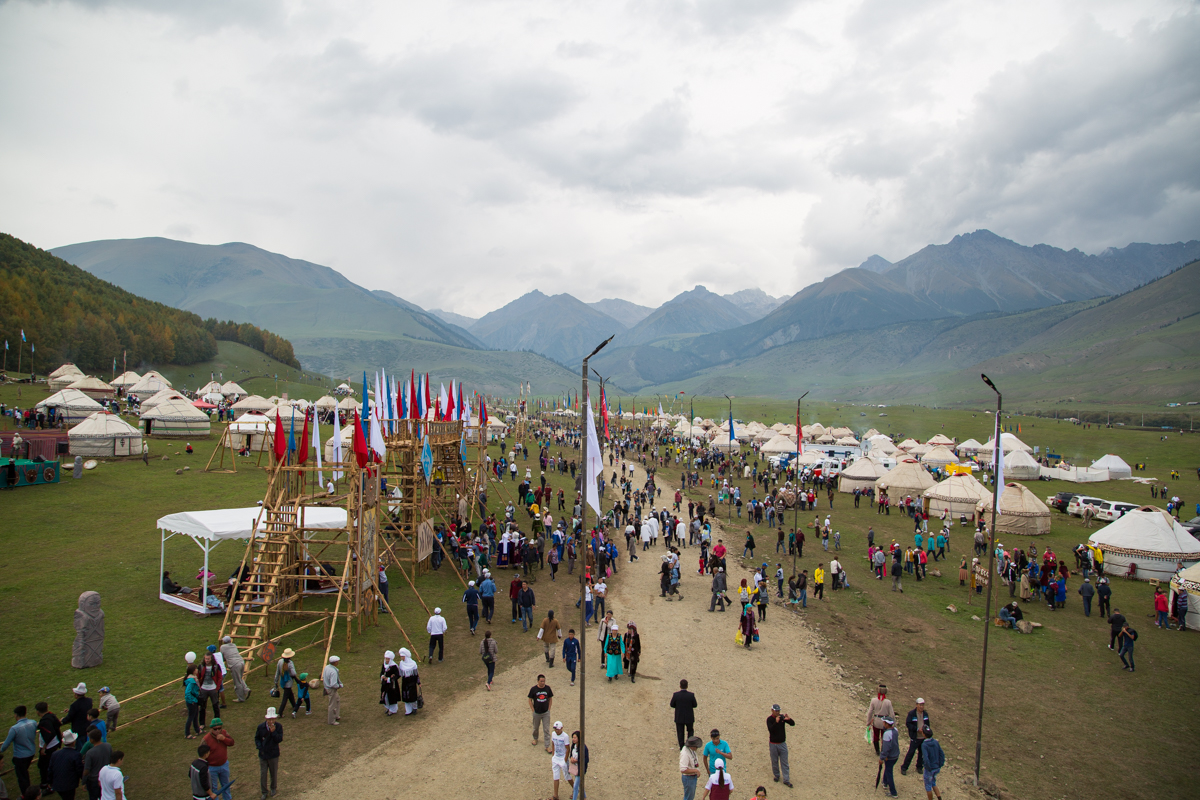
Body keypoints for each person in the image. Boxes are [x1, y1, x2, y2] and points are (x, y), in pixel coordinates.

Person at [2, 706, 38, 795]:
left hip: (20, 756)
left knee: (22, 778)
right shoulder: (33, 723)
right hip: (31, 752)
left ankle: (27, 795)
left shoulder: (14, 729)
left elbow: (5, 744)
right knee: (24, 773)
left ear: (16, 715)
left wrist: (1, 750)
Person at [254, 708, 283, 799]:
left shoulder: (278, 727)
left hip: (273, 753)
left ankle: (273, 788)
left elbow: (279, 739)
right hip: (263, 754)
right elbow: (257, 738)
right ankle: (264, 791)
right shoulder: (261, 727)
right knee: (263, 773)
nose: (271, 721)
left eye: (272, 719)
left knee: (273, 772)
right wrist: (259, 747)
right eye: (269, 719)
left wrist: (274, 732)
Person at [48, 730, 82, 800]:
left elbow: (50, 769)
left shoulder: (55, 754)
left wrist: (50, 781)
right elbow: (79, 770)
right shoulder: (76, 755)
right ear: (73, 742)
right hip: (69, 785)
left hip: (57, 784)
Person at [766, 704, 794, 788]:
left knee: (784, 762)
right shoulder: (769, 719)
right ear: (772, 710)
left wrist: (789, 719)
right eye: (776, 711)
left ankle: (786, 779)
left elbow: (792, 724)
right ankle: (776, 775)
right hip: (773, 744)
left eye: (778, 711)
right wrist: (776, 722)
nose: (777, 712)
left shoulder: (782, 718)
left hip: (782, 744)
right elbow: (771, 729)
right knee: (774, 761)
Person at [901, 698, 930, 775]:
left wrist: (926, 731)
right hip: (915, 737)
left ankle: (919, 767)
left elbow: (928, 725)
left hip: (923, 737)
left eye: (923, 705)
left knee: (922, 753)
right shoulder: (912, 714)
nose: (921, 707)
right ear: (916, 705)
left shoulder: (925, 714)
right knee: (911, 752)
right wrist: (917, 729)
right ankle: (904, 767)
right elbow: (908, 724)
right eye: (920, 705)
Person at [218, 638, 250, 704]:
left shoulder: (223, 647)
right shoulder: (234, 645)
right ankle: (246, 689)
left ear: (224, 641)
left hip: (234, 664)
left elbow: (222, 657)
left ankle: (241, 698)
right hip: (241, 662)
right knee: (240, 678)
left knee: (237, 682)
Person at [81, 729, 110, 800]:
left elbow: (87, 770)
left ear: (92, 740)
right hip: (106, 776)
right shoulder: (108, 746)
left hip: (94, 780)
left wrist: (84, 781)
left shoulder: (90, 753)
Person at [528, 674, 554, 750]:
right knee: (536, 727)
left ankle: (547, 745)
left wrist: (549, 708)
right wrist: (533, 710)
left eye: (544, 681)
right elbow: (530, 699)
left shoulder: (547, 688)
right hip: (537, 712)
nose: (543, 683)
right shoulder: (533, 689)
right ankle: (535, 738)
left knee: (546, 729)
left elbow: (550, 698)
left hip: (546, 712)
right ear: (538, 681)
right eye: (541, 681)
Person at [670, 680, 698, 749]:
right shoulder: (691, 695)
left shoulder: (676, 695)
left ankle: (682, 747)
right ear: (687, 686)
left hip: (679, 717)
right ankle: (690, 744)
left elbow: (672, 704)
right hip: (689, 717)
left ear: (680, 686)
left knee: (680, 732)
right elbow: (695, 705)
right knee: (690, 730)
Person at [920, 725, 946, 800]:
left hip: (930, 769)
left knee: (928, 786)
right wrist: (940, 764)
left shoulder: (924, 744)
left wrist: (928, 768)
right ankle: (939, 797)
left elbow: (926, 758)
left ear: (924, 734)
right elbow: (941, 754)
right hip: (936, 767)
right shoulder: (935, 742)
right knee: (933, 782)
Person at [867, 685, 894, 754]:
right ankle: (883, 750)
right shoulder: (888, 702)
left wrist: (868, 721)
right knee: (884, 736)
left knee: (876, 735)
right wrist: (894, 724)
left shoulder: (874, 700)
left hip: (876, 720)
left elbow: (870, 712)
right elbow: (892, 714)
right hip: (885, 722)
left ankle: (877, 751)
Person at [270, 649, 296, 720]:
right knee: (285, 697)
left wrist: (275, 681)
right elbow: (293, 673)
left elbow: (277, 672)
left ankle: (294, 705)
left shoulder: (280, 662)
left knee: (290, 694)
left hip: (282, 681)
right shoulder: (290, 663)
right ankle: (280, 712)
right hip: (288, 682)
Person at [878, 717, 900, 797]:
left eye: (884, 723)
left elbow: (886, 748)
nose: (883, 724)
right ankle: (884, 782)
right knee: (888, 768)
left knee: (889, 772)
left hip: (890, 757)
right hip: (896, 755)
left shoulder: (887, 734)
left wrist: (882, 758)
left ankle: (893, 792)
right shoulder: (895, 731)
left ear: (887, 724)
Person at [550, 721, 571, 800]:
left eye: (558, 729)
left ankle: (576, 789)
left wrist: (565, 760)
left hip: (562, 758)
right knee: (556, 776)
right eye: (555, 729)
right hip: (556, 758)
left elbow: (568, 748)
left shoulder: (565, 736)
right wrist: (553, 755)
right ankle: (555, 795)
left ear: (561, 728)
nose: (556, 731)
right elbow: (552, 743)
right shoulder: (553, 734)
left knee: (567, 776)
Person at [680, 735, 704, 800]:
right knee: (688, 798)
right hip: (688, 778)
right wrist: (695, 771)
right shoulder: (685, 754)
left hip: (692, 777)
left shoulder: (691, 750)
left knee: (690, 796)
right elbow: (683, 769)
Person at [398, 649, 421, 714]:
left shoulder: (413, 664)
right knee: (406, 697)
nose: (402, 658)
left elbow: (416, 674)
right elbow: (400, 673)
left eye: (403, 656)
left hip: (412, 682)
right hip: (405, 682)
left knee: (412, 696)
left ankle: (414, 708)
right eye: (401, 656)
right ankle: (408, 710)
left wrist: (418, 682)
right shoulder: (401, 663)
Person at [322, 655, 342, 725]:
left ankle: (336, 715)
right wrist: (338, 686)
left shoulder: (327, 667)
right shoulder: (333, 671)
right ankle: (331, 721)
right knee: (332, 705)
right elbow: (333, 684)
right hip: (331, 689)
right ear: (335, 662)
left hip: (327, 687)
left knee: (337, 700)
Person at [569, 730, 589, 800]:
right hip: (575, 768)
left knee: (575, 786)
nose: (573, 739)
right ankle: (584, 797)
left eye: (575, 738)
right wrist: (571, 757)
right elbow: (571, 753)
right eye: (573, 738)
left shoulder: (583, 748)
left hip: (580, 769)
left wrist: (577, 761)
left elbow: (586, 760)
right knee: (580, 783)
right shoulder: (573, 745)